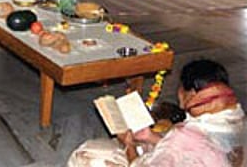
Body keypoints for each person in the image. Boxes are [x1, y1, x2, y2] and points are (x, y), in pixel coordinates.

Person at [67, 59, 245, 167]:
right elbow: (194, 151)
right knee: (145, 144)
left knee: (86, 155)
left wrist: (128, 144)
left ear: (190, 94)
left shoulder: (181, 136)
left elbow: (183, 146)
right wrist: (151, 136)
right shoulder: (236, 116)